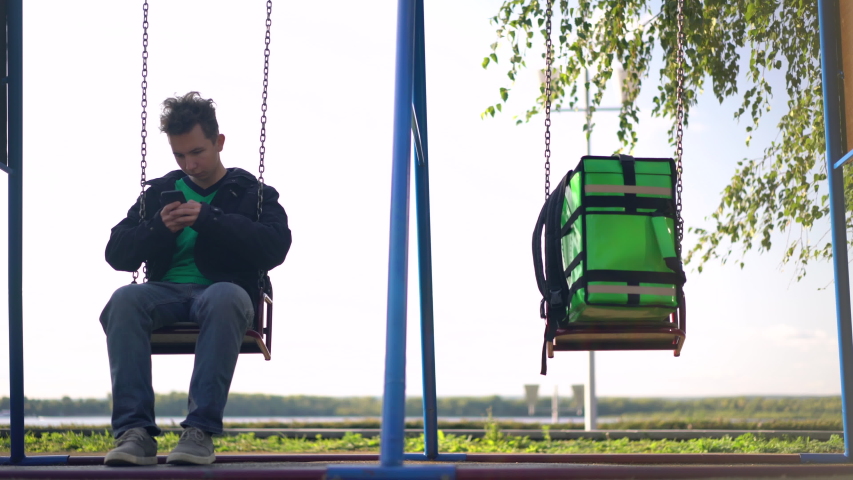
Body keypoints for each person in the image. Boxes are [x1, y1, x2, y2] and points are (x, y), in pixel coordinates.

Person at [99, 91, 292, 466]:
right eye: (179, 155)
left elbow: (275, 246)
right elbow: (116, 253)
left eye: (197, 152)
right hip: (164, 293)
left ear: (219, 143)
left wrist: (210, 220)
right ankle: (134, 433)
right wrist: (157, 228)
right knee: (123, 299)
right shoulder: (156, 195)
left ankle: (199, 432)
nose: (189, 164)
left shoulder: (251, 193)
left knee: (224, 297)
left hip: (222, 292)